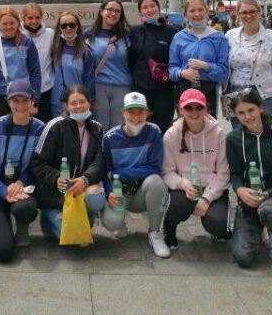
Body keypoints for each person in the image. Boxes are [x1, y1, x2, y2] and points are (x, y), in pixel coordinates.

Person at [227, 90, 272, 267]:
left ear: (260, 107)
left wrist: (269, 193)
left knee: (269, 212)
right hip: (249, 201)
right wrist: (239, 189)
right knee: (243, 258)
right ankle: (257, 229)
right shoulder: (233, 139)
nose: (247, 116)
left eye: (251, 110)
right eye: (241, 113)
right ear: (235, 115)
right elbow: (235, 174)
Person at [0, 80, 45, 262]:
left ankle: (22, 225)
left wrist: (21, 181)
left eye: (25, 100)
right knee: (3, 252)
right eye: (15, 100)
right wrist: (3, 190)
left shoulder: (40, 128)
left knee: (26, 209)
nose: (21, 105)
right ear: (8, 102)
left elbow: (37, 164)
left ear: (32, 101)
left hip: (21, 187)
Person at [31, 85, 106, 241]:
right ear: (66, 106)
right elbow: (37, 162)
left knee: (97, 196)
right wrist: (55, 178)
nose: (78, 107)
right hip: (56, 194)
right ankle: (49, 220)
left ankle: (85, 218)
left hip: (82, 188)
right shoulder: (54, 126)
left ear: (89, 103)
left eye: (82, 101)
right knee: (69, 236)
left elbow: (100, 162)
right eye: (73, 103)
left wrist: (85, 179)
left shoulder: (97, 129)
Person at [101, 92, 170, 258]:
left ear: (147, 113)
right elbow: (105, 172)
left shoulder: (154, 132)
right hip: (120, 192)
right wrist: (110, 191)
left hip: (142, 192)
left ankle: (154, 233)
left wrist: (120, 173)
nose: (136, 117)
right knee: (111, 223)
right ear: (123, 113)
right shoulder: (110, 138)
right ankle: (121, 221)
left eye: (141, 112)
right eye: (131, 112)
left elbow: (154, 167)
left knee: (157, 182)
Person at [162, 89, 231, 249]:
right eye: (188, 108)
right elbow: (167, 171)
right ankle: (169, 228)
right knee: (177, 207)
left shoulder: (219, 133)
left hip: (211, 187)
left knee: (220, 225)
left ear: (206, 108)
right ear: (180, 110)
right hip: (184, 188)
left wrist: (207, 198)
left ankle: (217, 226)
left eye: (198, 107)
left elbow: (224, 172)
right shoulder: (172, 134)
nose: (194, 112)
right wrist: (182, 184)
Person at [226, 0, 272, 124]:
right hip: (235, 95)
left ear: (259, 13)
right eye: (243, 12)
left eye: (252, 11)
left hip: (264, 96)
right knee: (240, 137)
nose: (248, 15)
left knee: (266, 137)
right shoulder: (230, 35)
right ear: (237, 15)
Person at [168, 0, 229, 118]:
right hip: (183, 90)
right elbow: (172, 69)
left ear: (207, 12)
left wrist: (206, 66)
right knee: (184, 129)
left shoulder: (218, 38)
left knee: (208, 129)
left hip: (208, 91)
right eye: (192, 11)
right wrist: (182, 73)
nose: (197, 14)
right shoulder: (179, 37)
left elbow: (224, 73)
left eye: (200, 10)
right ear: (185, 15)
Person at [128, 0, 177, 134]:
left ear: (158, 8)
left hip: (164, 91)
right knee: (140, 129)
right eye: (145, 7)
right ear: (140, 12)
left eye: (152, 6)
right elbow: (130, 60)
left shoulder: (171, 32)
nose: (149, 10)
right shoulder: (134, 32)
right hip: (141, 89)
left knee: (163, 130)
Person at [0, 7, 41, 120]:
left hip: (23, 96)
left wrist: (35, 101)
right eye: (4, 23)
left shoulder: (27, 42)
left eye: (12, 23)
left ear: (18, 23)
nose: (8, 27)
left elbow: (35, 73)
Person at [86, 0, 132, 130]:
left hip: (122, 86)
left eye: (117, 11)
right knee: (100, 128)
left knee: (119, 128)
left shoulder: (128, 35)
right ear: (101, 11)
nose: (113, 13)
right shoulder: (89, 35)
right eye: (110, 10)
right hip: (99, 86)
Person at [50, 11, 95, 118]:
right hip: (57, 103)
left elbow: (89, 80)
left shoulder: (85, 51)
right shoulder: (54, 49)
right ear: (59, 28)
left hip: (78, 104)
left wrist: (89, 101)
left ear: (77, 27)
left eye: (72, 25)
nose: (68, 28)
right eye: (64, 26)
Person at [20, 3, 55, 121]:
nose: (34, 21)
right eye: (30, 18)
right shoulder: (17, 35)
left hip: (45, 89)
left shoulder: (50, 34)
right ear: (23, 18)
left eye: (37, 17)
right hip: (23, 91)